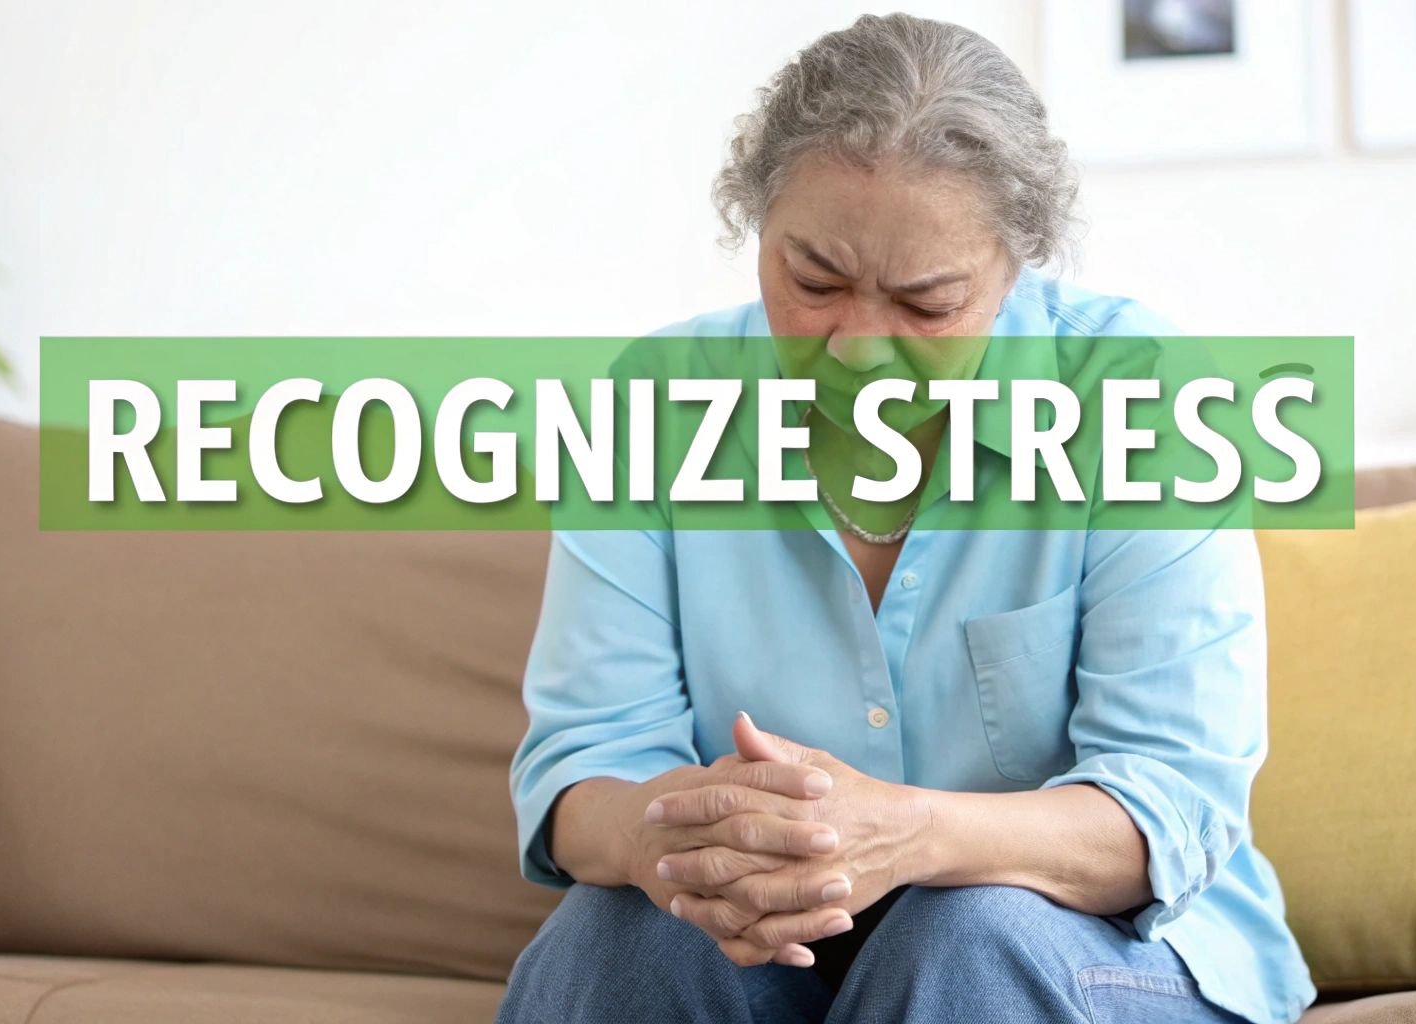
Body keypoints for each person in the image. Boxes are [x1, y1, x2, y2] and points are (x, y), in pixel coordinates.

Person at [496, 12, 1314, 1024]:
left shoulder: (1139, 399)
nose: (857, 350)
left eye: (925, 304)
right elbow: (585, 766)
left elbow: (1166, 804)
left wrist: (912, 834)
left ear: (1018, 264)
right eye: (814, 281)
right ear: (755, 225)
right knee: (618, 936)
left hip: (1089, 946)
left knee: (961, 939)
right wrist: (677, 836)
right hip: (771, 951)